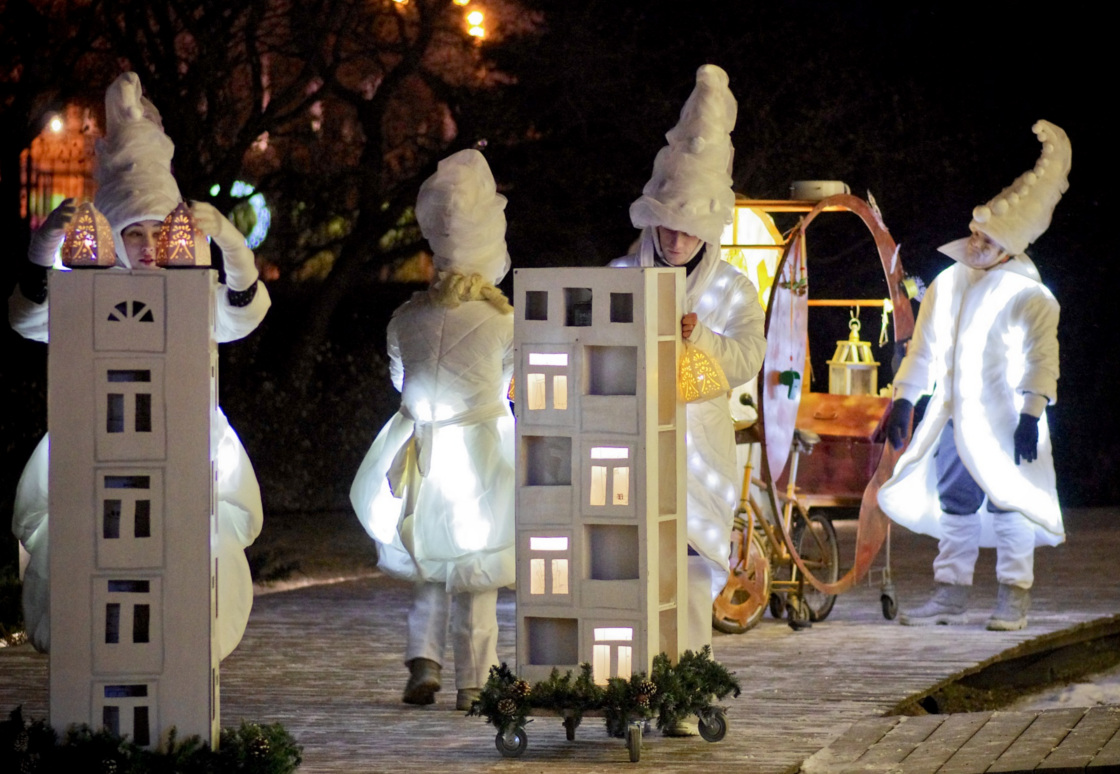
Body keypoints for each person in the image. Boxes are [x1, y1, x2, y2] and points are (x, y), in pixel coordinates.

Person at [8, 71, 270, 658]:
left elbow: (243, 313)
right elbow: (29, 320)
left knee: (183, 550)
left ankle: (177, 651)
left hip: (185, 448)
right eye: (134, 233)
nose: (148, 245)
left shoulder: (192, 293)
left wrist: (233, 247)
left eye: (158, 231)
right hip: (98, 448)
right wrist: (41, 257)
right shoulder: (87, 293)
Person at [612, 64, 766, 705]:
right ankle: (633, 690)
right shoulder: (620, 276)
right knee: (630, 577)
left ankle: (688, 694)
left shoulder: (732, 289)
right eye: (665, 226)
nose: (675, 240)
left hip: (700, 453)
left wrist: (699, 338)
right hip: (627, 450)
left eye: (687, 228)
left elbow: (748, 357)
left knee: (693, 577)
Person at [878, 120, 1070, 631]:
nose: (976, 242)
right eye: (976, 233)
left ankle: (1014, 595)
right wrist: (905, 400)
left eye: (988, 238)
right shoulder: (948, 283)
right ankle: (950, 593)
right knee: (955, 504)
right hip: (953, 418)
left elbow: (1041, 359)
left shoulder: (1030, 296)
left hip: (1007, 420)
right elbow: (925, 348)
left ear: (1010, 245)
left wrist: (1031, 413)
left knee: (1010, 504)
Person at [350, 149, 515, 711]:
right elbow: (510, 381)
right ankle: (476, 682)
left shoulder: (406, 317)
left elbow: (400, 378)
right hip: (481, 452)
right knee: (477, 569)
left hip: (421, 448)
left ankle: (424, 659)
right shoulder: (504, 321)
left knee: (428, 558)